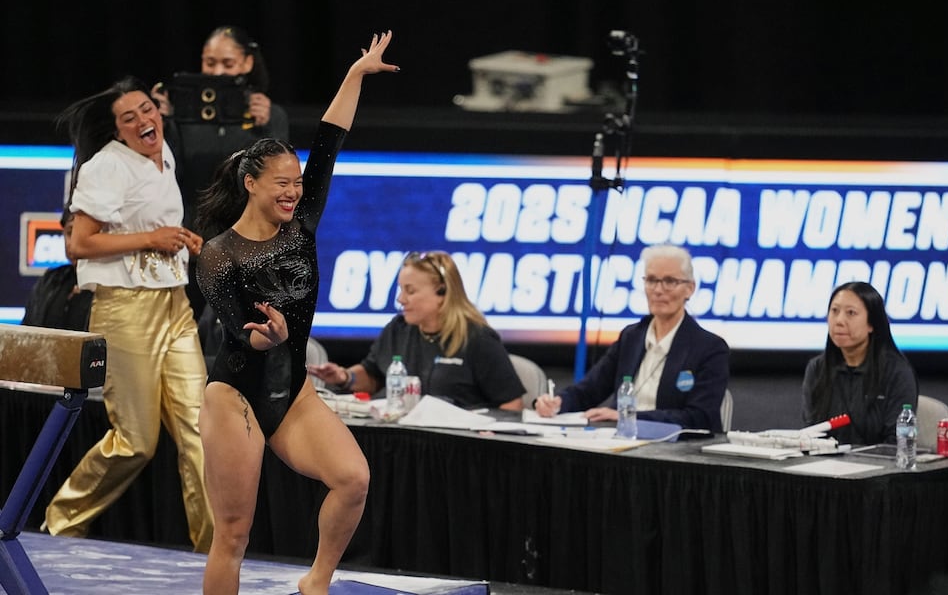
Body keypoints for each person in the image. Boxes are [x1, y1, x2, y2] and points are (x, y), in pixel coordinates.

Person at [193, 31, 397, 595]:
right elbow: (243, 335)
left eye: (297, 184)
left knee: (353, 479)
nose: (292, 193)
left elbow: (329, 139)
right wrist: (269, 336)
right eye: (281, 184)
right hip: (235, 395)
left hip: (292, 391)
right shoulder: (218, 255)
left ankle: (316, 582)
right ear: (250, 183)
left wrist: (355, 74)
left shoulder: (302, 223)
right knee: (234, 534)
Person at [42, 76, 212, 552]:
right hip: (125, 309)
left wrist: (180, 240)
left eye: (147, 110)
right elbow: (79, 244)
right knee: (136, 442)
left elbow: (153, 223)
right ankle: (60, 522)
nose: (143, 121)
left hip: (175, 304)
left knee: (203, 434)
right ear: (116, 130)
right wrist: (152, 238)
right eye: (129, 118)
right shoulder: (106, 166)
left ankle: (215, 553)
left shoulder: (164, 155)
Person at [534, 244, 730, 431]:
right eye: (651, 280)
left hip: (677, 448)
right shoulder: (631, 337)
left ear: (690, 288)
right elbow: (589, 390)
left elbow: (699, 417)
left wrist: (628, 416)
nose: (658, 290)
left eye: (670, 281)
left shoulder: (710, 348)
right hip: (621, 441)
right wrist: (558, 403)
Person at [307, 250, 526, 411]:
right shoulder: (398, 328)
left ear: (442, 292)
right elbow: (373, 375)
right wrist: (345, 376)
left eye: (410, 291)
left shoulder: (478, 338)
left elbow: (512, 405)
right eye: (401, 290)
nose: (400, 299)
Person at [155, 25, 289, 233]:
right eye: (210, 63)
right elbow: (168, 175)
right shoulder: (181, 114)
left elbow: (278, 181)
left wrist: (267, 131)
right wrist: (159, 125)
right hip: (192, 231)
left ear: (247, 63)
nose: (217, 72)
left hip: (247, 233)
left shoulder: (270, 115)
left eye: (228, 64)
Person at [797, 281, 918, 445]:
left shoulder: (896, 372)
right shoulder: (817, 369)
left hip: (879, 460)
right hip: (825, 459)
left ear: (872, 324)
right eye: (834, 311)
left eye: (851, 313)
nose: (839, 321)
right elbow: (811, 433)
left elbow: (897, 442)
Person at [21, 210, 92, 331]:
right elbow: (26, 333)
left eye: (83, 234)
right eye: (70, 233)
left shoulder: (109, 289)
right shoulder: (50, 280)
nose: (74, 243)